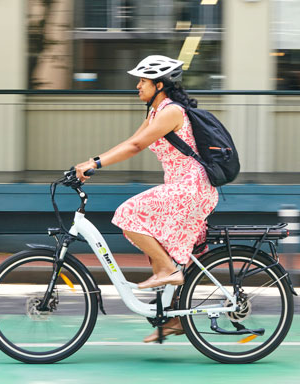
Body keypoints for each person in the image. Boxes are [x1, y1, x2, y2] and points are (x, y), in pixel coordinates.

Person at [74, 55, 219, 342]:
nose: (137, 86)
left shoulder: (171, 112)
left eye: (142, 80)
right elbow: (131, 142)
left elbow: (138, 145)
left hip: (192, 189)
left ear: (160, 84)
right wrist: (92, 161)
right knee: (158, 241)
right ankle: (175, 317)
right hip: (182, 188)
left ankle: (167, 271)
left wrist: (96, 164)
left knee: (128, 214)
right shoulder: (155, 112)